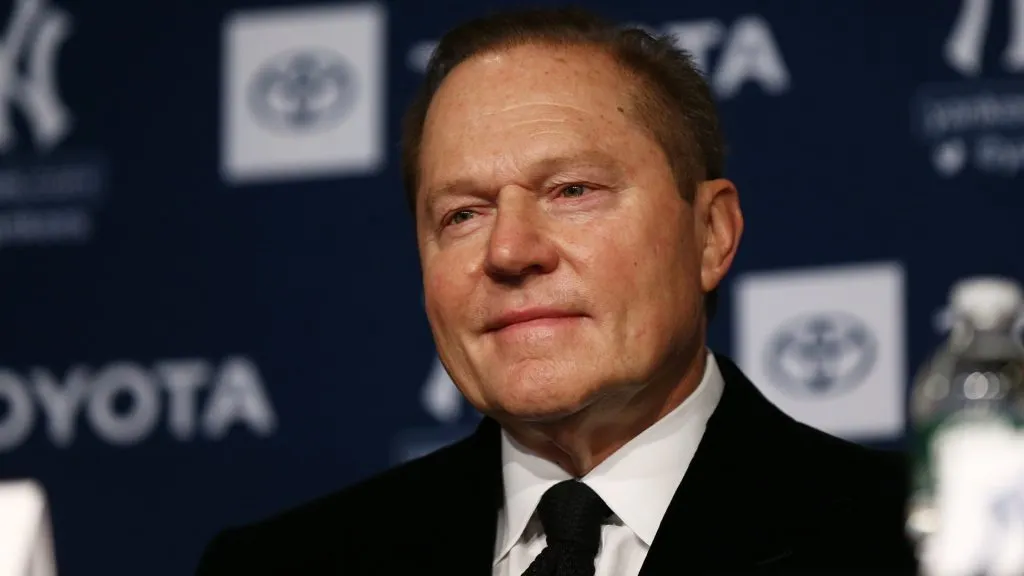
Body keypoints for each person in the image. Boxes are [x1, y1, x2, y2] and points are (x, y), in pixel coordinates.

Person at [196, 7, 918, 575]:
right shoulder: (276, 565)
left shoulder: (918, 543)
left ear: (710, 234)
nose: (510, 251)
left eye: (573, 191)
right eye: (463, 214)